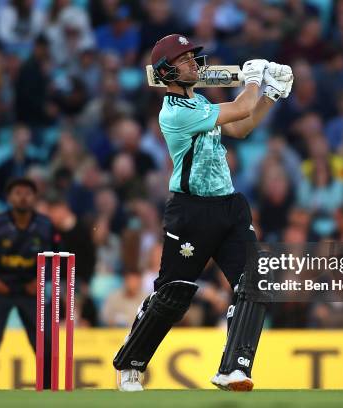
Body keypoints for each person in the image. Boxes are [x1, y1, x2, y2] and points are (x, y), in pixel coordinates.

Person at [112, 34, 293, 392]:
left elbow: (240, 127)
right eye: (185, 60)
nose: (195, 64)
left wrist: (272, 94)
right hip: (190, 212)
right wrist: (255, 79)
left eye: (195, 57)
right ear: (167, 70)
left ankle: (234, 370)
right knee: (173, 294)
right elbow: (241, 108)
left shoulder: (199, 102)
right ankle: (130, 365)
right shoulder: (175, 112)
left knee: (255, 282)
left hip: (228, 206)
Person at [0, 178, 58, 389]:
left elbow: (57, 256)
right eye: (18, 193)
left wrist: (42, 280)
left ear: (35, 197)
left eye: (28, 193)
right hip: (0, 288)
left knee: (47, 343)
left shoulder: (46, 225)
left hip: (32, 289)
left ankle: (49, 389)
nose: (23, 197)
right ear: (8, 197)